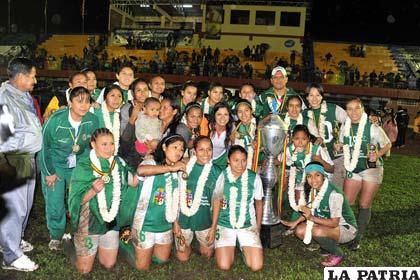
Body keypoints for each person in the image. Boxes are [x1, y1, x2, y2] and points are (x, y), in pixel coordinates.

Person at [68, 128, 137, 274]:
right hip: (89, 221)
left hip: (111, 221)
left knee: (108, 264)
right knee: (84, 270)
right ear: (93, 144)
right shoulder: (84, 166)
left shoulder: (117, 163)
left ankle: (99, 247)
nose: (109, 148)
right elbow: (76, 200)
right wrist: (93, 191)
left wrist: (148, 167)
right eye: (104, 144)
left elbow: (133, 182)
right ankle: (70, 245)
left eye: (111, 144)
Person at [38, 86, 99, 251]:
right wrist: (49, 172)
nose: (84, 105)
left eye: (87, 101)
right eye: (79, 101)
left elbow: (92, 146)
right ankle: (56, 236)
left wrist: (86, 167)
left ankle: (77, 230)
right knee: (55, 202)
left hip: (77, 165)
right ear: (69, 102)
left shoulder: (92, 120)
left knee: (79, 199)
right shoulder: (56, 121)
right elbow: (43, 147)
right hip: (55, 166)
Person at [0, 57, 42, 272]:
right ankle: (11, 255)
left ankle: (14, 240)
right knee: (15, 208)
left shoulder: (22, 95)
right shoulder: (4, 99)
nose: (35, 80)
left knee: (24, 206)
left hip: (27, 157)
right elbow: (3, 137)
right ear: (21, 77)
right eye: (33, 76)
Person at [123, 134, 187, 270]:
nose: (178, 152)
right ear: (164, 147)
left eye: (181, 149)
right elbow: (141, 171)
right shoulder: (151, 163)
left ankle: (145, 250)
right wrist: (170, 168)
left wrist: (175, 223)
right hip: (145, 223)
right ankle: (126, 242)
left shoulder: (178, 170)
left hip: (164, 225)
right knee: (142, 267)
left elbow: (176, 200)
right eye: (175, 147)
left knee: (161, 260)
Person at [335, 98, 391, 250]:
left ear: (362, 110)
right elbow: (343, 145)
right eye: (349, 109)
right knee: (346, 202)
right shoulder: (344, 127)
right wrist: (339, 146)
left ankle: (357, 238)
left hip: (371, 168)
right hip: (353, 168)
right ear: (346, 111)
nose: (353, 112)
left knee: (364, 204)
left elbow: (388, 144)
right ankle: (345, 231)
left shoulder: (372, 127)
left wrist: (378, 153)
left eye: (357, 108)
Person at [281, 162, 357, 267]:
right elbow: (310, 210)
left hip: (346, 229)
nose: (313, 179)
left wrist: (311, 218)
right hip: (326, 224)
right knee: (299, 231)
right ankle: (324, 245)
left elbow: (334, 223)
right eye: (309, 176)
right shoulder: (314, 190)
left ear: (323, 176)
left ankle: (338, 254)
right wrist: (295, 222)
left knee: (316, 231)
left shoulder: (334, 194)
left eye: (317, 175)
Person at [212, 145, 264, 271]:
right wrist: (213, 227)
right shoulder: (222, 176)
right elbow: (217, 201)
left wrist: (258, 225)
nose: (240, 165)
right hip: (224, 224)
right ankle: (229, 246)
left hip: (247, 224)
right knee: (224, 266)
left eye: (243, 160)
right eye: (236, 160)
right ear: (228, 160)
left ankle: (243, 246)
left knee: (256, 266)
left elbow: (259, 203)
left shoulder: (254, 178)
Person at [173, 136, 222, 261]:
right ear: (194, 151)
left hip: (204, 219)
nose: (206, 153)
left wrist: (214, 227)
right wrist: (175, 222)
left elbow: (217, 201)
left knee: (207, 254)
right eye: (201, 149)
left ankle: (201, 241)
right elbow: (174, 195)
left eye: (209, 149)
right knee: (182, 257)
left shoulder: (217, 171)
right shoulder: (183, 166)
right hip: (183, 218)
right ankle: (186, 245)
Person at [285, 125, 334, 222]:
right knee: (300, 199)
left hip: (319, 178)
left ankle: (317, 218)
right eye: (296, 139)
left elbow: (331, 169)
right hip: (302, 177)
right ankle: (299, 220)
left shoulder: (317, 149)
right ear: (292, 139)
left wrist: (320, 160)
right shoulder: (289, 150)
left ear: (308, 139)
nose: (300, 142)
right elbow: (287, 163)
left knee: (315, 200)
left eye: (303, 139)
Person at [303, 83, 347, 189]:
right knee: (316, 189)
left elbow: (349, 121)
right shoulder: (304, 114)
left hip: (336, 156)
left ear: (322, 96)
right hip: (316, 157)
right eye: (311, 95)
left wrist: (341, 141)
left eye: (318, 95)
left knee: (336, 190)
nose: (314, 99)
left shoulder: (333, 108)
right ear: (307, 97)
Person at [119, 78, 150, 168]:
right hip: (130, 155)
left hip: (148, 153)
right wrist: (133, 118)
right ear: (132, 93)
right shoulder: (126, 108)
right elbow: (124, 138)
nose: (142, 93)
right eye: (138, 90)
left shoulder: (151, 106)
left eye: (145, 90)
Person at [93, 85, 123, 154]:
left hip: (114, 154)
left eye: (119, 96)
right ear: (105, 97)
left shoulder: (120, 114)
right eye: (112, 95)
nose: (116, 99)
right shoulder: (95, 112)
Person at [231, 99, 257, 169]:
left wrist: (258, 146)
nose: (243, 114)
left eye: (246, 110)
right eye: (240, 111)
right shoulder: (235, 126)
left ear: (251, 111)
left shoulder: (258, 125)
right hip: (237, 163)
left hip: (255, 164)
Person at [208, 102, 234, 169]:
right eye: (219, 114)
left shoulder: (232, 130)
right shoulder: (207, 127)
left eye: (226, 114)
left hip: (221, 163)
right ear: (214, 115)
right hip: (204, 160)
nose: (222, 118)